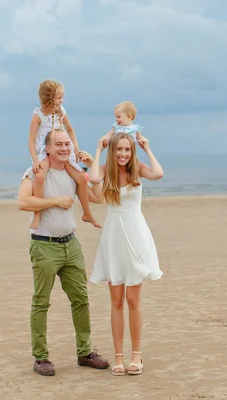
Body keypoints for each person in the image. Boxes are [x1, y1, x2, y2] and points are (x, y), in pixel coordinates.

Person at [18, 128, 109, 376]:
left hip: (71, 245)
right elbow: (23, 202)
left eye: (67, 144)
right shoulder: (35, 172)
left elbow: (98, 198)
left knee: (81, 299)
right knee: (41, 302)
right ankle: (41, 358)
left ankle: (85, 353)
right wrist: (55, 201)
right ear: (47, 148)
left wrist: (92, 170)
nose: (64, 148)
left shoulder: (73, 173)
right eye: (58, 144)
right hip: (43, 245)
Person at [88, 132, 164, 376]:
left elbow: (159, 173)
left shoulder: (138, 169)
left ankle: (136, 355)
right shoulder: (106, 169)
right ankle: (118, 356)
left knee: (133, 300)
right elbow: (92, 177)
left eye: (127, 150)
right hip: (113, 238)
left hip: (135, 235)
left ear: (132, 151)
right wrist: (99, 149)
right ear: (113, 151)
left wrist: (147, 148)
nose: (122, 154)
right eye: (118, 150)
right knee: (116, 300)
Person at [27, 79, 100, 230]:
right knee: (40, 176)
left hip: (62, 150)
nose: (62, 100)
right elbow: (31, 140)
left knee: (80, 178)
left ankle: (87, 213)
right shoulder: (38, 115)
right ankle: (37, 213)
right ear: (49, 98)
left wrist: (75, 148)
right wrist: (35, 160)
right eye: (59, 97)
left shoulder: (61, 112)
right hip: (45, 150)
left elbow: (70, 129)